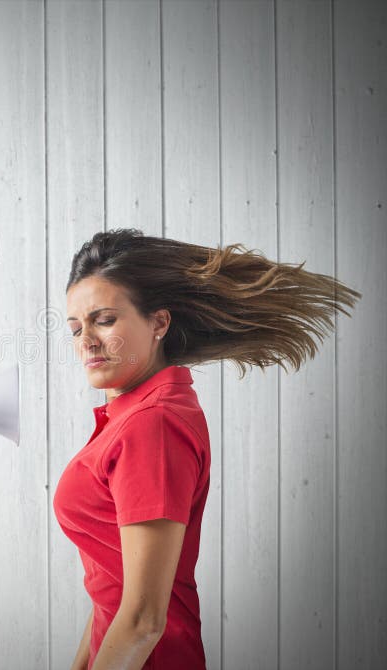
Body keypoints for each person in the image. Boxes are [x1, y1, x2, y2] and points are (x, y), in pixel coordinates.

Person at [53, 229, 360, 670]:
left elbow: (142, 621)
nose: (86, 341)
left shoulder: (151, 426)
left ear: (159, 322)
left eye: (104, 320)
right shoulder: (131, 415)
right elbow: (114, 588)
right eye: (76, 327)